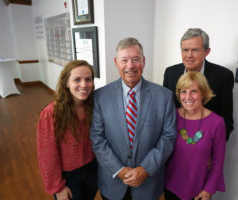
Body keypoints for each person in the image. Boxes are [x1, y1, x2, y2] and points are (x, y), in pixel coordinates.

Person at [90, 37, 176, 200]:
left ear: (143, 61)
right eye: (124, 60)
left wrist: (145, 169)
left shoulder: (164, 97)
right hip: (112, 182)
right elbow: (97, 138)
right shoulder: (100, 97)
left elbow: (168, 136)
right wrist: (119, 170)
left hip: (149, 183)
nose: (130, 66)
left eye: (135, 59)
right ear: (116, 62)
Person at [37, 60, 98, 200]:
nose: (84, 84)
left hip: (93, 171)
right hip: (68, 177)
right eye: (77, 79)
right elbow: (47, 156)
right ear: (66, 83)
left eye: (88, 79)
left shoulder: (94, 107)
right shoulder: (51, 114)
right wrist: (57, 187)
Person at [163, 28, 234, 141]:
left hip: (205, 143)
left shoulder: (223, 76)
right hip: (174, 141)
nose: (189, 55)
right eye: (185, 50)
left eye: (195, 50)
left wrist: (212, 148)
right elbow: (165, 113)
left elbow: (226, 120)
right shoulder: (170, 73)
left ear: (207, 52)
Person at [164, 72, 226, 200]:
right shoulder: (172, 116)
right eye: (183, 91)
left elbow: (218, 161)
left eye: (193, 91)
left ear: (203, 93)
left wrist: (208, 190)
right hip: (170, 185)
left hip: (199, 190)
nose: (188, 97)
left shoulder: (217, 122)